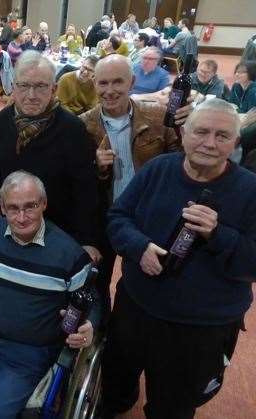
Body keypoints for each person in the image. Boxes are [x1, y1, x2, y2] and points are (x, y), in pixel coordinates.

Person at [102, 98, 256, 419]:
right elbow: (118, 217)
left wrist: (218, 235)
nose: (210, 143)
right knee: (115, 385)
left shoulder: (250, 190)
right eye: (201, 132)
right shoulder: (159, 168)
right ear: (183, 133)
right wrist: (138, 246)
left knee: (173, 407)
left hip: (200, 328)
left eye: (222, 136)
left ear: (236, 143)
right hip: (136, 308)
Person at [0, 171, 99, 418]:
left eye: (30, 207)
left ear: (44, 204)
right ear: (2, 208)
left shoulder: (68, 254)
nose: (22, 217)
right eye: (13, 208)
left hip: (29, 352)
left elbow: (92, 300)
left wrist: (90, 324)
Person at [79, 54, 188, 317]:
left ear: (133, 82)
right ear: (94, 84)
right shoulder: (82, 125)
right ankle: (99, 333)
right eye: (103, 83)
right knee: (95, 284)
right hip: (103, 219)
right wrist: (95, 167)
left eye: (118, 82)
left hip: (149, 219)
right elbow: (76, 184)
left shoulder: (160, 117)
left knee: (144, 286)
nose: (109, 90)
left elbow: (184, 163)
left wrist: (189, 127)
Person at [0, 51, 100, 258]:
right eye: (24, 86)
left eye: (40, 86)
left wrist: (87, 240)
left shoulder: (72, 129)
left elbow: (86, 188)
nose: (31, 95)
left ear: (53, 89)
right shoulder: (5, 119)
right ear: (13, 86)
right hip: (14, 223)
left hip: (58, 230)